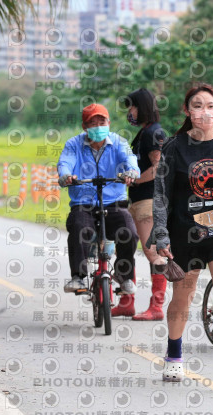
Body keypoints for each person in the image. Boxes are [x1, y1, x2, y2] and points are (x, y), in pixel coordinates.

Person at [148, 83, 213, 392]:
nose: (204, 112)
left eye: (210, 106)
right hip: (184, 232)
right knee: (183, 296)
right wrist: (161, 235)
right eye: (197, 106)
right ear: (187, 111)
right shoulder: (174, 147)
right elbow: (161, 195)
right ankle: (174, 355)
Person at [57, 103, 140, 294]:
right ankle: (78, 277)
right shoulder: (73, 144)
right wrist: (66, 175)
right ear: (84, 127)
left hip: (114, 203)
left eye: (101, 122)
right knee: (78, 227)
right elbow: (65, 163)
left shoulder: (119, 142)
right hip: (83, 204)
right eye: (92, 123)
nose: (98, 127)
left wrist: (131, 172)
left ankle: (123, 275)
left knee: (129, 232)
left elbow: (130, 159)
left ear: (109, 123)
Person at [111, 88, 168, 320]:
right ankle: (127, 302)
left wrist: (135, 180)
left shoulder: (154, 132)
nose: (130, 112)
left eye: (132, 107)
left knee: (152, 251)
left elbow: (158, 168)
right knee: (125, 248)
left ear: (141, 107)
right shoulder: (145, 132)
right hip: (136, 200)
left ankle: (156, 307)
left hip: (148, 200)